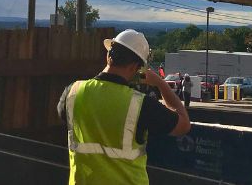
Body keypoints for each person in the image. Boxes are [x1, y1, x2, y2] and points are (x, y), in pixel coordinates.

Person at [58, 29, 190, 184]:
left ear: (109, 56)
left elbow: (68, 119)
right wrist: (161, 84)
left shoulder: (72, 92)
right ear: (136, 67)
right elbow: (184, 125)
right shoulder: (140, 104)